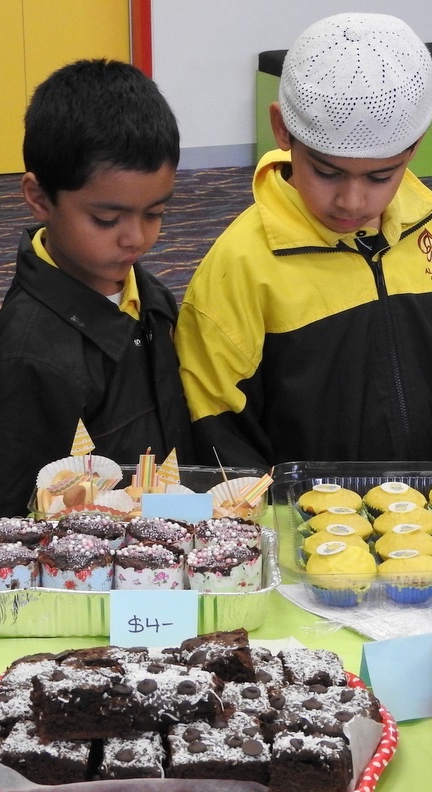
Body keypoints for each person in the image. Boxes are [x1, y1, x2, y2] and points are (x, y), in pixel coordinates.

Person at [175, 12, 432, 469]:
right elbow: (219, 437)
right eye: (327, 172)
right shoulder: (240, 267)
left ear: (415, 147)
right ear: (281, 130)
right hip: (309, 525)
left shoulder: (426, 227)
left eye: (380, 175)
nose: (352, 201)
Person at [0, 58, 194, 521]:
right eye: (107, 220)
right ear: (38, 198)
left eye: (155, 213)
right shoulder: (27, 359)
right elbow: (7, 518)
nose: (136, 238)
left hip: (159, 538)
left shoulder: (147, 293)